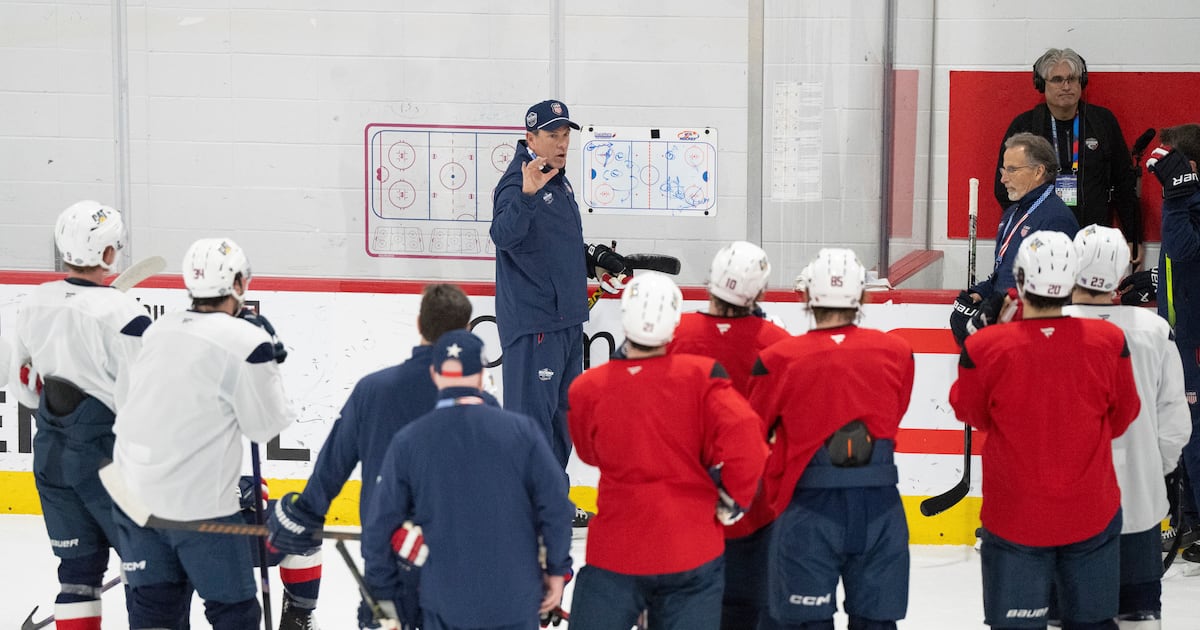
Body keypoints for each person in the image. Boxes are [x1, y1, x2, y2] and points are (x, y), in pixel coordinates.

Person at [265, 283, 487, 629]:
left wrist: (305, 513)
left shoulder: (374, 390)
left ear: (418, 324)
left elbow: (333, 465)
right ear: (468, 332)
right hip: (460, 558)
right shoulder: (482, 404)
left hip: (387, 559)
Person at [949, 230, 1140, 630]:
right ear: (1072, 280)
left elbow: (970, 412)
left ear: (1019, 280)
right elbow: (1123, 416)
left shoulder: (988, 348)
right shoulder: (1109, 340)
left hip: (1015, 516)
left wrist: (978, 341)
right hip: (1092, 510)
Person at [107, 237, 296, 629]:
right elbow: (266, 426)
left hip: (133, 501)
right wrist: (270, 361)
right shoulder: (247, 340)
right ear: (239, 284)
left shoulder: (157, 330)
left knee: (156, 616)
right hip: (200, 512)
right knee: (236, 615)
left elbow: (127, 403)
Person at [566, 271, 768, 630]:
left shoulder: (587, 389)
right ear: (675, 320)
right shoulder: (704, 376)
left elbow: (588, 454)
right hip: (691, 549)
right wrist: (731, 500)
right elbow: (749, 441)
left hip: (616, 550)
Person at [362, 329, 574, 630]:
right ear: (480, 376)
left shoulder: (409, 440)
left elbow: (378, 526)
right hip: (514, 596)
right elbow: (556, 508)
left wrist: (384, 596)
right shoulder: (522, 432)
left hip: (445, 600)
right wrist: (556, 571)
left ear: (435, 375)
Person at [748, 248, 914, 630]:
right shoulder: (897, 352)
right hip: (881, 510)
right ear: (861, 296)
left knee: (804, 623)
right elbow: (895, 411)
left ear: (806, 296)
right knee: (877, 622)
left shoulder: (778, 358)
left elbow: (757, 428)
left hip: (809, 509)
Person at [9, 201, 151, 629]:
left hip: (51, 456)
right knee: (150, 570)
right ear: (109, 254)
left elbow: (23, 385)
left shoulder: (35, 302)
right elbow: (145, 401)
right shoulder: (124, 314)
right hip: (110, 464)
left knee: (76, 576)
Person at [489, 99, 628, 527]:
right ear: (530, 138)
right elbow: (503, 234)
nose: (563, 143)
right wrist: (528, 195)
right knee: (531, 424)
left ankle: (552, 503)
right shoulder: (518, 183)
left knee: (560, 423)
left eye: (566, 134)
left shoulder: (559, 181)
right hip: (536, 326)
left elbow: (550, 246)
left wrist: (592, 259)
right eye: (553, 135)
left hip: (565, 322)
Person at [1063, 224, 1191, 628]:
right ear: (1121, 271)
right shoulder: (1154, 331)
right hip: (1138, 504)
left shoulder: (1043, 330)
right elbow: (1174, 426)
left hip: (1064, 509)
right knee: (1138, 616)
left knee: (1068, 615)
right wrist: (1152, 471)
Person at [666, 240, 788, 630]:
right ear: (761, 292)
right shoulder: (778, 343)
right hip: (755, 504)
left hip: (683, 501)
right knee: (752, 610)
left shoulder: (672, 333)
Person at [994, 47, 1141, 266]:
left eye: (1072, 79)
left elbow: (1124, 184)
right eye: (1057, 79)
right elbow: (1004, 187)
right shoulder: (1025, 127)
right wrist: (1025, 230)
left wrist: (1132, 236)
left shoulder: (1102, 122)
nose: (1066, 86)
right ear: (1042, 84)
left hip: (1093, 243)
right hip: (1040, 244)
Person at [1130, 123, 1200, 566]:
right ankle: (1190, 520)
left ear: (1187, 167)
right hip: (1179, 336)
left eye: (1172, 161)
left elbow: (1183, 248)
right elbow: (1178, 266)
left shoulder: (1187, 205)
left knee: (1193, 435)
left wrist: (1178, 196)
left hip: (1194, 342)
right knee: (1181, 428)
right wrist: (1151, 280)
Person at [951, 132, 1080, 346]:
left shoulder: (1056, 218)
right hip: (1005, 323)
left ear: (1038, 171)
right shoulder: (1012, 214)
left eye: (1012, 170)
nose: (1003, 179)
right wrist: (981, 293)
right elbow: (1005, 272)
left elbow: (1059, 290)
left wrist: (1003, 309)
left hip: (1029, 334)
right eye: (1004, 170)